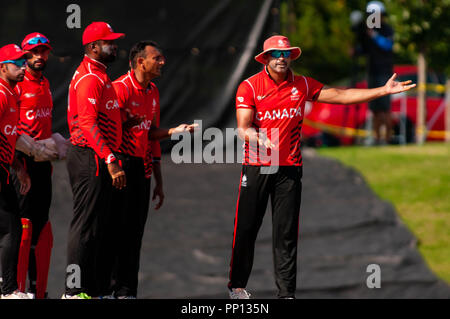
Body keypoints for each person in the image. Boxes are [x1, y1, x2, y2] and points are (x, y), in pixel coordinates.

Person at [228, 35, 415, 299]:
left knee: (286, 234)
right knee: (247, 228)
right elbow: (243, 128)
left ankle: (286, 294)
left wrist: (382, 91)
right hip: (258, 165)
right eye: (277, 55)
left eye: (286, 54)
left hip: (290, 168)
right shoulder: (249, 86)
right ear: (266, 58)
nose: (282, 59)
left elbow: (341, 94)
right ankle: (237, 287)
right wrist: (254, 137)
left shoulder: (303, 84)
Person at [107, 40, 197, 298]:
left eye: (162, 58)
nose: (162, 62)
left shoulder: (153, 91)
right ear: (140, 62)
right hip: (120, 164)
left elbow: (150, 135)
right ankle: (108, 288)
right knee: (116, 230)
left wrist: (159, 179)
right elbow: (106, 131)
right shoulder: (119, 89)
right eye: (156, 58)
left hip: (142, 168)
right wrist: (114, 164)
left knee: (135, 233)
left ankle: (127, 291)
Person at [63, 21, 126, 299]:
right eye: (109, 42)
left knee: (99, 227)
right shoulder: (90, 76)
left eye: (114, 41)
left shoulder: (101, 74)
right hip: (91, 156)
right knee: (85, 225)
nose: (114, 46)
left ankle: (93, 289)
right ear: (93, 47)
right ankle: (73, 291)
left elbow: (103, 116)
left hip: (98, 155)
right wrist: (111, 160)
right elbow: (88, 124)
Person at [12, 32, 67, 299]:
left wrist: (54, 142)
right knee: (22, 226)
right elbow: (9, 129)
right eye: (33, 52)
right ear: (24, 54)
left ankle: (38, 290)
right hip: (21, 164)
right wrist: (21, 161)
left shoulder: (45, 83)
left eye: (43, 51)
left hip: (44, 165)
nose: (39, 56)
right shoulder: (16, 84)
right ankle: (16, 289)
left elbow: (42, 122)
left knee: (42, 223)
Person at [0, 44, 32, 299]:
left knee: (11, 227)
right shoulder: (1, 94)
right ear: (2, 68)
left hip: (5, 171)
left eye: (24, 62)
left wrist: (18, 167)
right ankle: (8, 290)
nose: (23, 67)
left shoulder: (12, 93)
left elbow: (7, 138)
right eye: (17, 63)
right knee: (10, 229)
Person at [363, 1, 395, 144]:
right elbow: (365, 50)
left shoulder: (387, 29)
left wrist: (374, 36)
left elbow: (387, 45)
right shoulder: (368, 32)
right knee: (375, 110)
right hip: (372, 72)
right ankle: (376, 139)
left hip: (384, 73)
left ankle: (387, 138)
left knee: (385, 109)